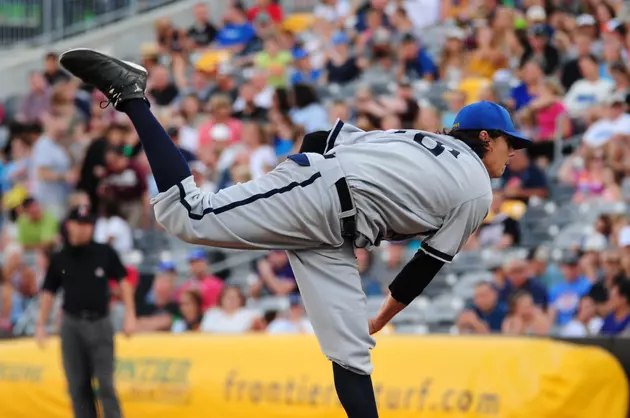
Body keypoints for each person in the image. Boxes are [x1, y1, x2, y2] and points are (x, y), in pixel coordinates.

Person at [59, 49, 532, 418]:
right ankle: (134, 96)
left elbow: (322, 138)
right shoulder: (476, 188)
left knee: (351, 356)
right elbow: (421, 270)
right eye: (510, 143)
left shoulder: (415, 140)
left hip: (331, 223)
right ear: (486, 137)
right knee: (188, 216)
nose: (513, 155)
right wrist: (379, 317)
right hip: (322, 200)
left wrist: (292, 180)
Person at [36, 205, 136, 418]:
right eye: (80, 224)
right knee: (77, 385)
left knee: (106, 383)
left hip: (100, 322)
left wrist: (130, 315)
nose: (84, 229)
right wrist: (40, 325)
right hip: (71, 324)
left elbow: (124, 281)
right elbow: (48, 292)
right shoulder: (60, 257)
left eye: (88, 224)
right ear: (70, 225)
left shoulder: (104, 252)